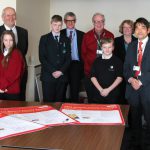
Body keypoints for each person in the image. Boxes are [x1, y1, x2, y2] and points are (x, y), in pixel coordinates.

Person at [124, 17, 150, 150]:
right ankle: (136, 144)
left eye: (143, 27)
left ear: (148, 30)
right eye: (137, 27)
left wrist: (140, 81)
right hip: (132, 90)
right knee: (134, 120)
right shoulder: (132, 46)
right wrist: (130, 79)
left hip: (147, 89)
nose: (139, 30)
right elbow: (126, 68)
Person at [81, 12, 114, 103]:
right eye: (96, 21)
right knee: (92, 99)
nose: (99, 24)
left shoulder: (110, 35)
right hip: (90, 73)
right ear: (93, 23)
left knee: (105, 99)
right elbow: (83, 54)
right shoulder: (87, 36)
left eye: (101, 21)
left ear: (104, 22)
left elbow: (112, 54)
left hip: (105, 74)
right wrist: (91, 66)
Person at [39, 15, 71, 102]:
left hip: (62, 76)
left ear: (62, 25)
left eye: (59, 25)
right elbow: (42, 58)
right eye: (55, 24)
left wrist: (61, 71)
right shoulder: (44, 38)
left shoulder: (66, 39)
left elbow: (68, 58)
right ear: (51, 24)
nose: (57, 27)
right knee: (48, 102)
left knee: (60, 102)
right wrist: (53, 71)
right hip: (48, 76)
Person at [0, 7, 28, 101]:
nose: (11, 17)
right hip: (2, 80)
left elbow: (24, 51)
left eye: (13, 15)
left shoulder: (24, 32)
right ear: (3, 17)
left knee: (20, 102)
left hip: (20, 76)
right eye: (8, 15)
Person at [61, 12, 84, 103]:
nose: (70, 23)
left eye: (72, 21)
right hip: (62, 65)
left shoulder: (82, 35)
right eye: (68, 21)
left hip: (76, 64)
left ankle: (74, 110)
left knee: (74, 90)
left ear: (75, 21)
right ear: (64, 21)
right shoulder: (60, 33)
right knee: (62, 89)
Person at [90, 38, 123, 104]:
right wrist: (101, 90)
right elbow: (93, 77)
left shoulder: (118, 61)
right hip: (98, 93)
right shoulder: (97, 61)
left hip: (113, 93)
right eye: (104, 47)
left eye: (109, 47)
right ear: (101, 48)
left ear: (113, 48)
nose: (107, 50)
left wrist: (108, 90)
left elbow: (119, 78)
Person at [114, 20, 137, 104]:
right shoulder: (116, 41)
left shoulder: (137, 41)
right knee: (121, 98)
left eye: (129, 27)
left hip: (134, 74)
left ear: (133, 29)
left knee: (132, 99)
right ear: (122, 29)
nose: (127, 29)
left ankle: (131, 117)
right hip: (119, 73)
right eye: (125, 27)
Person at [0, 31, 25, 100]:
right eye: (6, 40)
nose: (8, 43)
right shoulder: (1, 54)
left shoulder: (16, 53)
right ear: (2, 41)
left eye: (11, 40)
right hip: (1, 90)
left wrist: (2, 87)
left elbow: (13, 74)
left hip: (11, 91)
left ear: (14, 41)